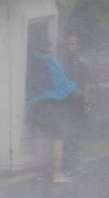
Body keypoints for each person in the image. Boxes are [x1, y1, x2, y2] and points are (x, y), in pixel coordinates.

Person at [26, 39, 77, 183]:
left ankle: (39, 172)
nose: (52, 54)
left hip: (33, 106)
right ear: (46, 51)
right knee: (57, 137)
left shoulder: (32, 62)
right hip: (46, 106)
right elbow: (65, 86)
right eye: (50, 51)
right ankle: (56, 175)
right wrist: (75, 83)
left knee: (42, 137)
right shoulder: (50, 63)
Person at [60, 34, 92, 175]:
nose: (71, 47)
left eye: (73, 44)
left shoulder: (83, 64)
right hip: (67, 102)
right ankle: (67, 166)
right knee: (67, 133)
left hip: (78, 102)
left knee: (76, 133)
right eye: (69, 45)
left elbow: (86, 84)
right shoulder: (63, 65)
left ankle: (76, 164)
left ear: (78, 46)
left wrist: (86, 102)